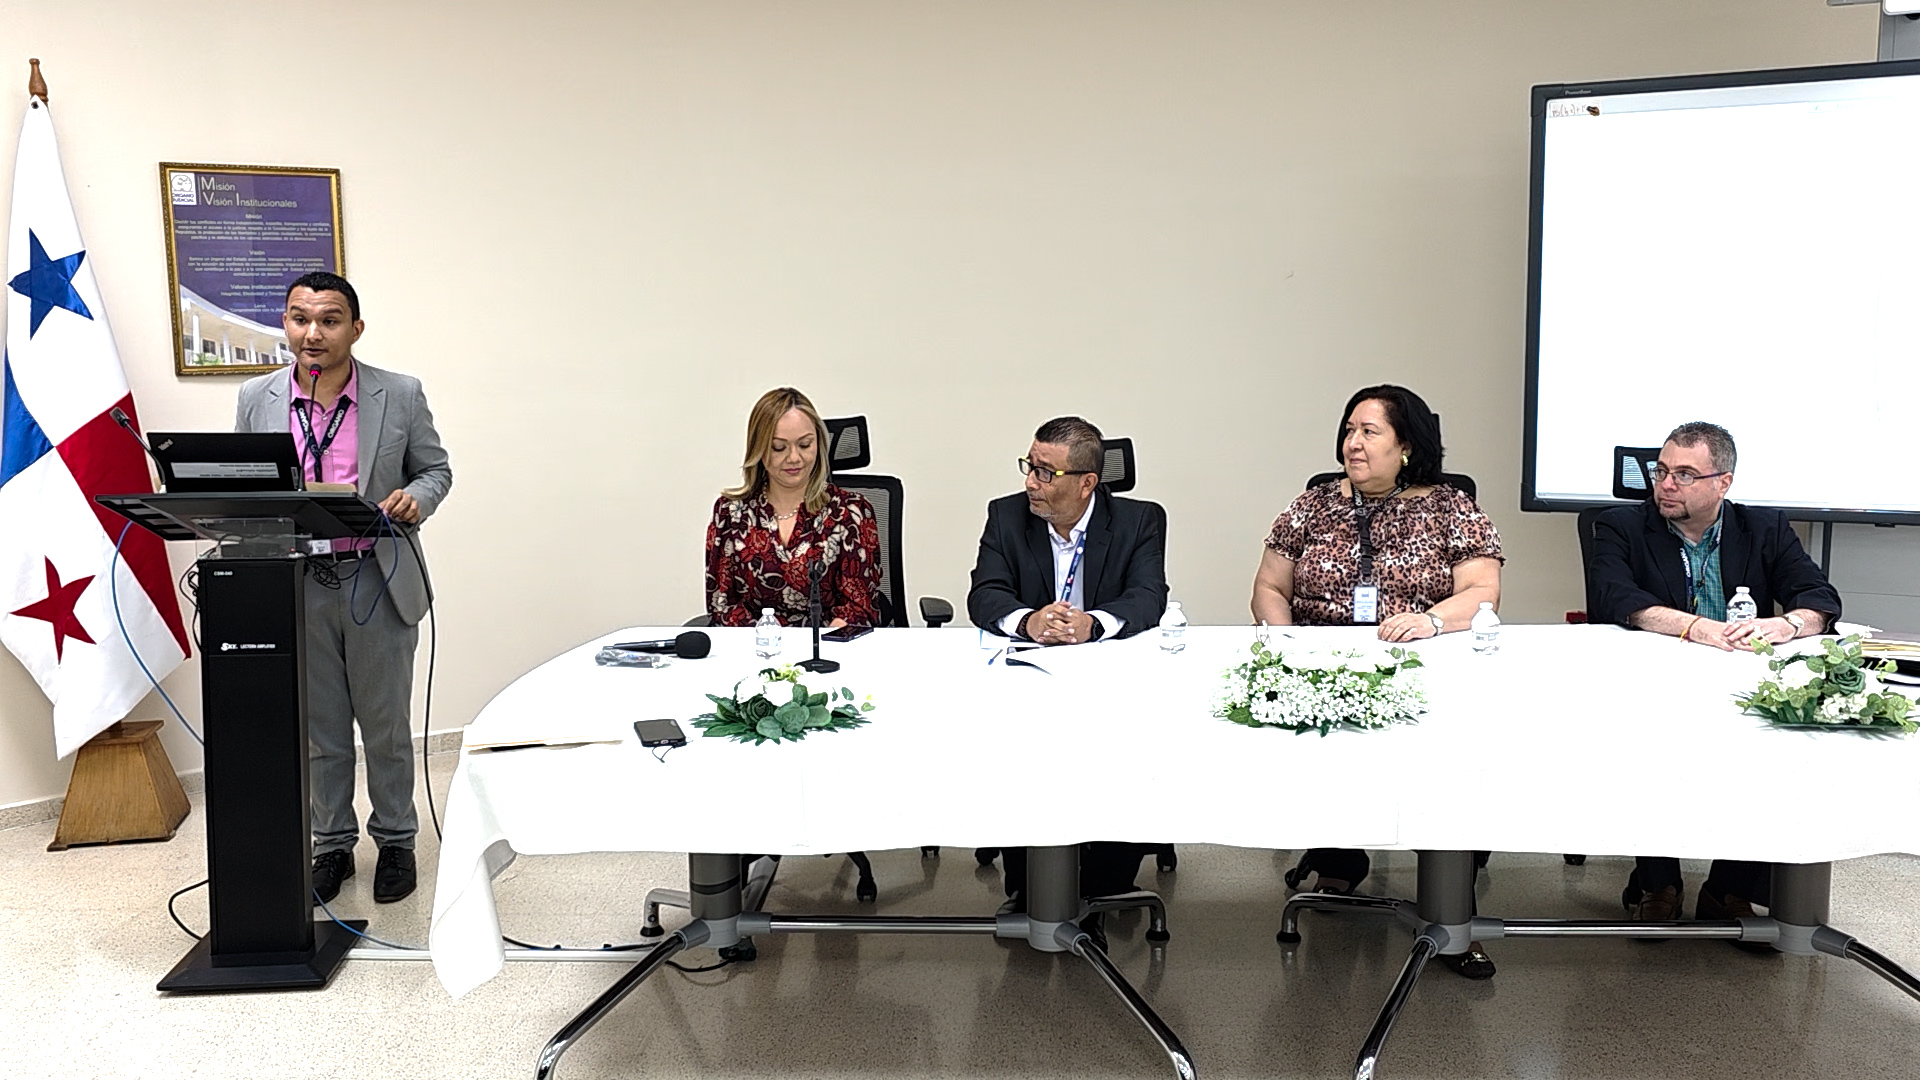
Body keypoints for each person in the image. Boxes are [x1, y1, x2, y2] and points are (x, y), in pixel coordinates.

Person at [1249, 384, 1504, 977]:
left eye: (1369, 432)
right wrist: (1286, 642)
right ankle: (1340, 854)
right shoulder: (1312, 504)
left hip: (1420, 669)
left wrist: (1431, 620)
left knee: (1440, 766)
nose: (1353, 444)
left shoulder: (1451, 507)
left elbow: (1483, 591)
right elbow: (1268, 586)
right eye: (1349, 430)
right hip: (1321, 669)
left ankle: (1452, 908)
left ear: (1406, 445)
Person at [235, 271, 452, 905]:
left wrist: (417, 497)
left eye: (329, 320)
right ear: (285, 324)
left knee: (385, 728)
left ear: (354, 329)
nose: (313, 333)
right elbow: (247, 481)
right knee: (320, 731)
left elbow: (435, 469)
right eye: (300, 318)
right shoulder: (257, 397)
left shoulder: (399, 393)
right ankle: (330, 844)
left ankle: (396, 841)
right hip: (298, 580)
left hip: (376, 578)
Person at [1589, 421, 1840, 927]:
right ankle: (1657, 882)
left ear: (1723, 483)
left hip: (1738, 680)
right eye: (1661, 471)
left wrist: (1785, 625)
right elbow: (1615, 597)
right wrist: (1696, 627)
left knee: (1775, 749)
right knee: (1647, 749)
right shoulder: (1621, 526)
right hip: (1652, 681)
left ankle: (1730, 888)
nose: (1666, 485)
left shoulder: (1764, 528)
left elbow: (1819, 597)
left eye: (1684, 475)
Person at [967, 416, 1169, 933]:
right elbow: (985, 594)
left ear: (1086, 483)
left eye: (1044, 472)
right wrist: (1028, 621)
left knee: (1121, 747)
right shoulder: (1006, 515)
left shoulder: (1138, 521)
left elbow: (1148, 597)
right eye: (1029, 466)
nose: (1030, 482)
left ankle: (1107, 884)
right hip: (1030, 679)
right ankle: (1027, 885)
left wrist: (1092, 624)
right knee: (1020, 749)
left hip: (1109, 681)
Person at [706, 387, 882, 629]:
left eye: (805, 445)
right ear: (758, 449)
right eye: (779, 447)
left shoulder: (851, 512)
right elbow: (722, 606)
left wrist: (821, 645)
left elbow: (859, 608)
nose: (794, 458)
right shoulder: (730, 513)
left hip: (828, 645)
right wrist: (768, 644)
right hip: (755, 646)